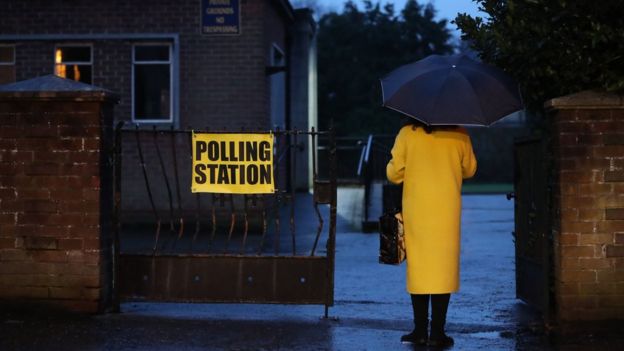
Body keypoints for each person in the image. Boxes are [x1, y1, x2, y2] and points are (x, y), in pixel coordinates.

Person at [386, 119, 477, 348]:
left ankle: (419, 330)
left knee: (419, 268)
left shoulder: (407, 133)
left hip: (417, 209)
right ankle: (437, 332)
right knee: (442, 269)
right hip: (447, 210)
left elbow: (394, 174)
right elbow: (470, 170)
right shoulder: (459, 134)